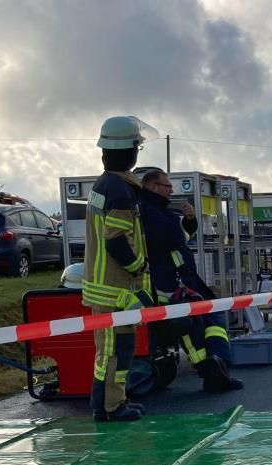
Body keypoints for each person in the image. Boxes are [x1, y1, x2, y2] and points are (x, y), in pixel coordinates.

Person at [137, 167, 243, 392]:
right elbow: (174, 239)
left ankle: (218, 367)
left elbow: (182, 236)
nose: (171, 190)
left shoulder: (160, 210)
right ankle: (212, 372)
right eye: (167, 186)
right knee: (191, 329)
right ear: (154, 187)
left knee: (209, 322)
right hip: (169, 284)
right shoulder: (148, 211)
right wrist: (180, 225)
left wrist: (190, 220)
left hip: (183, 280)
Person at [82, 116, 157, 422]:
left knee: (110, 350)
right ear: (133, 152)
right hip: (115, 287)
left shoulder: (105, 184)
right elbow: (116, 241)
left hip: (103, 286)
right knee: (116, 350)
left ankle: (107, 403)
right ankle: (111, 406)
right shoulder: (120, 191)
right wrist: (140, 266)